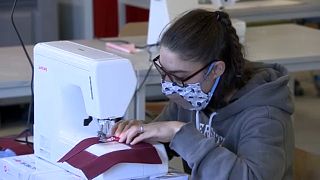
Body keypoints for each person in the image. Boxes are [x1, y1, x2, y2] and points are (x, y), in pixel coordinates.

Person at [112, 9, 294, 180]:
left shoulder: (265, 116)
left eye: (178, 76)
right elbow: (160, 141)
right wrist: (138, 134)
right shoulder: (189, 96)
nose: (169, 84)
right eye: (163, 71)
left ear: (215, 70)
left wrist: (178, 132)